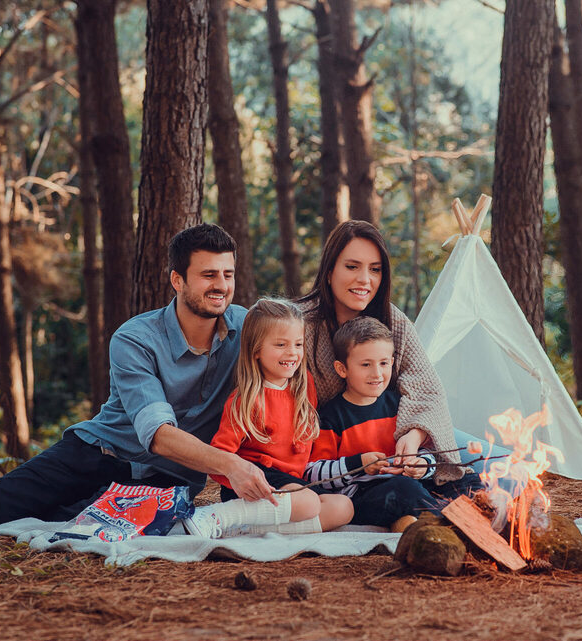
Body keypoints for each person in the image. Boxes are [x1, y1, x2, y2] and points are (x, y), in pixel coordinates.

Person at [0, 224, 276, 527]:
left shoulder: (247, 328)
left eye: (227, 274)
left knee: (69, 522)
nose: (221, 285)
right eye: (208, 275)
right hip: (97, 454)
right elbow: (159, 436)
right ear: (177, 281)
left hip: (170, 479)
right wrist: (232, 465)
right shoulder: (135, 339)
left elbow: (290, 341)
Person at [296, 220, 467, 484]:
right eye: (352, 267)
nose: (364, 279)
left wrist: (414, 435)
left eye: (374, 270)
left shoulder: (393, 321)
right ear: (329, 272)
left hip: (392, 443)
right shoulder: (301, 325)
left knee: (495, 465)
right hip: (334, 456)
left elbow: (427, 389)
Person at [183, 298, 353, 538]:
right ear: (256, 350)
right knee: (308, 503)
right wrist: (241, 483)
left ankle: (245, 528)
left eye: (298, 344)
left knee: (342, 508)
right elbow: (219, 457)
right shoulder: (247, 398)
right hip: (253, 484)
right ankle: (218, 516)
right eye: (281, 344)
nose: (292, 353)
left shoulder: (305, 386)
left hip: (290, 486)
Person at [304, 317, 482, 530]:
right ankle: (446, 528)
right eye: (366, 365)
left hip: (414, 485)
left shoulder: (399, 404)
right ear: (342, 369)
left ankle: (443, 522)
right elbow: (313, 473)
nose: (377, 374)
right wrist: (359, 464)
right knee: (404, 490)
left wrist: (422, 466)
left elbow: (430, 453)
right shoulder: (332, 416)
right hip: (366, 497)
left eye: (384, 363)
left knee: (468, 481)